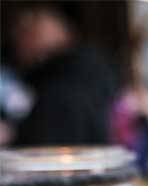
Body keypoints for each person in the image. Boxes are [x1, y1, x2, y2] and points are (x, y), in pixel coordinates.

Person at [5, 2, 118, 147]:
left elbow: (46, 151)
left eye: (31, 25)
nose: (20, 37)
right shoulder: (85, 68)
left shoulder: (62, 85)